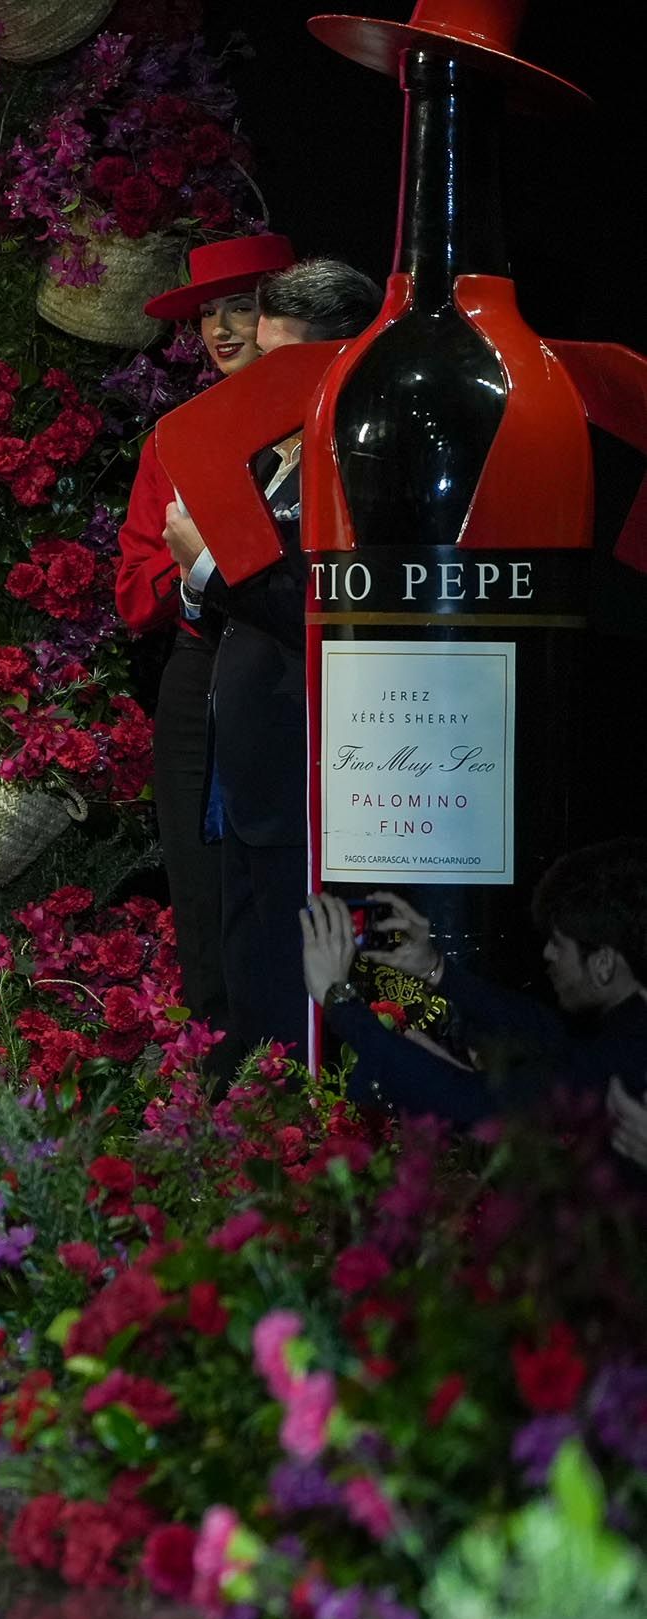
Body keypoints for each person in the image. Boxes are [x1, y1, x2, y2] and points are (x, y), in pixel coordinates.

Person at [162, 258, 383, 1060]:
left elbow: (330, 619)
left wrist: (209, 570)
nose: (266, 378)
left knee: (310, 1000)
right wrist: (199, 582)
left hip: (315, 772)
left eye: (284, 359)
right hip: (247, 778)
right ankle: (253, 1144)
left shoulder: (362, 465)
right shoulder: (264, 455)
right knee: (248, 990)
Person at [114, 233, 293, 1043]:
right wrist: (192, 569)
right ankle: (226, 1093)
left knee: (288, 885)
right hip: (201, 671)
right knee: (203, 886)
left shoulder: (334, 426)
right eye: (208, 315)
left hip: (301, 668)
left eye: (243, 307)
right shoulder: (177, 439)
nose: (222, 329)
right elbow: (134, 591)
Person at [300, 841, 647, 1127]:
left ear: (603, 963)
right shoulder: (625, 1028)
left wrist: (339, 999)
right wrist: (434, 968)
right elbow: (546, 1035)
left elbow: (479, 1106)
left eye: (558, 942)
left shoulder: (619, 1058)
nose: (547, 954)